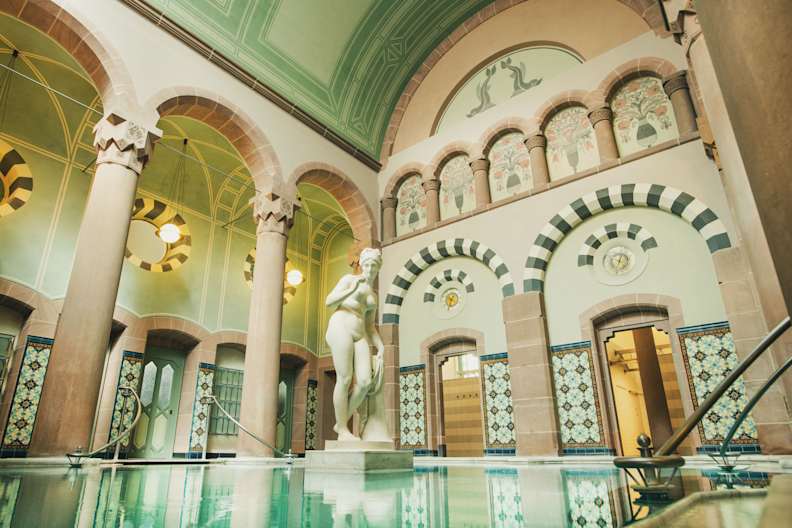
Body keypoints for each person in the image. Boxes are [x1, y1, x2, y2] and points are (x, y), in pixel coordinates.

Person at [325, 247, 388, 442]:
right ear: (361, 265)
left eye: (374, 266)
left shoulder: (372, 297)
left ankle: (340, 421)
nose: (370, 269)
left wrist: (381, 346)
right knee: (344, 378)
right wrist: (351, 289)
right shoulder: (348, 280)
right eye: (367, 264)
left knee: (365, 382)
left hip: (360, 333)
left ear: (378, 268)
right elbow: (329, 301)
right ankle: (343, 429)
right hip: (340, 324)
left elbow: (370, 327)